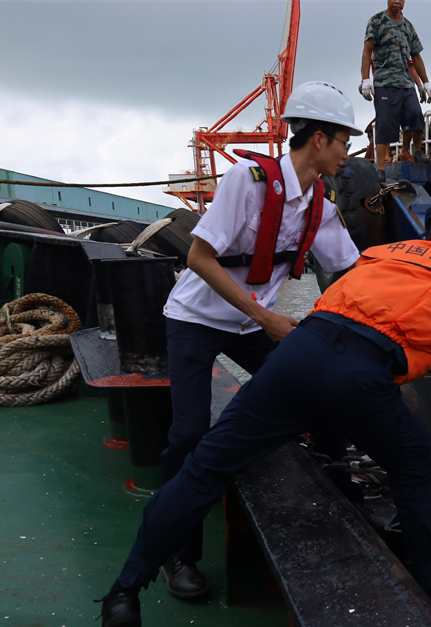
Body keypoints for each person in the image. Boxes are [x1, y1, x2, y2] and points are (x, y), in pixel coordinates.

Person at [97, 202, 431, 627]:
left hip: (296, 354)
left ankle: (124, 591)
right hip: (362, 377)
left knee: (203, 469)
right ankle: (430, 589)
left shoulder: (381, 254)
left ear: (428, 234)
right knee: (415, 472)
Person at [155, 81, 363, 600]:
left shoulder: (320, 205)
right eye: (344, 140)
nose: (348, 151)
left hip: (251, 324)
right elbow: (198, 257)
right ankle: (176, 551)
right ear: (319, 138)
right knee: (187, 433)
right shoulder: (245, 182)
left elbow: (353, 271)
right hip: (197, 319)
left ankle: (343, 495)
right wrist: (263, 316)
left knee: (321, 394)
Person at [361, 0, 431, 181]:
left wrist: (425, 82)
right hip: (384, 83)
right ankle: (381, 167)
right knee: (384, 122)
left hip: (406, 83)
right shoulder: (376, 21)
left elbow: (416, 56)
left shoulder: (408, 26)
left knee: (415, 113)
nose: (397, 2)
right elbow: (367, 51)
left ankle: (417, 151)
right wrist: (366, 79)